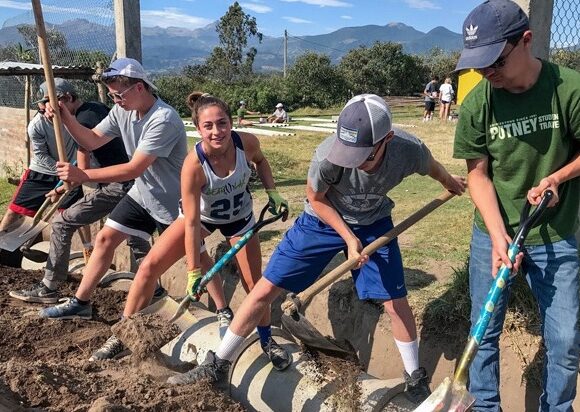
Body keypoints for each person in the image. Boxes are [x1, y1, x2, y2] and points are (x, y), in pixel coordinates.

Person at [167, 94, 466, 404]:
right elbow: (317, 198)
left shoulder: (408, 150)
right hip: (320, 222)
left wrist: (448, 182)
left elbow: (430, 165)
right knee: (263, 290)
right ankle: (218, 364)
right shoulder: (327, 155)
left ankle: (415, 379)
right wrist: (349, 240)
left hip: (375, 222)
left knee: (395, 301)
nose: (350, 160)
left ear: (386, 140)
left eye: (361, 154)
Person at [96, 92, 292, 369]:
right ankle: (122, 334)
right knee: (149, 266)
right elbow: (190, 223)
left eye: (222, 123)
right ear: (198, 129)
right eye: (208, 126)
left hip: (240, 219)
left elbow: (261, 161)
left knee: (254, 286)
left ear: (231, 122)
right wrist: (193, 271)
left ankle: (267, 340)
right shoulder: (194, 165)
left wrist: (272, 192)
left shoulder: (246, 143)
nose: (217, 131)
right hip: (201, 219)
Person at [453, 1, 580, 410]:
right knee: (483, 330)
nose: (487, 74)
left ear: (526, 41)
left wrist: (558, 177)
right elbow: (478, 175)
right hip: (494, 230)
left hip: (556, 232)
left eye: (495, 63)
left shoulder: (569, 89)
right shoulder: (478, 103)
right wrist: (495, 235)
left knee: (565, 341)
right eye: (479, 67)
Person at [36, 58, 198, 334]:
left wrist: (83, 175)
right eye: (111, 95)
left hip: (174, 204)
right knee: (105, 239)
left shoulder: (164, 119)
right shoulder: (122, 111)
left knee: (197, 258)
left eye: (119, 94)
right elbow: (90, 140)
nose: (115, 100)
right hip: (143, 193)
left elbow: (133, 167)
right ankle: (80, 302)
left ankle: (222, 312)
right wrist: (66, 118)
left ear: (139, 87)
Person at [8, 82, 151, 304]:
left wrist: (71, 180)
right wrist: (62, 187)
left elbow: (83, 157)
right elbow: (82, 164)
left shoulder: (85, 119)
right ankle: (154, 290)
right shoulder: (94, 109)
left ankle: (49, 287)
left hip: (120, 184)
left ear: (66, 98)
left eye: (52, 103)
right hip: (127, 184)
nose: (50, 110)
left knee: (62, 223)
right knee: (135, 235)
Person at [0, 79, 83, 232]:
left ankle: (86, 250)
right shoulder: (36, 125)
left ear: (66, 99)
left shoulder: (80, 117)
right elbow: (42, 156)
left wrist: (72, 172)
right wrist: (62, 171)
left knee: (73, 216)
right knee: (14, 211)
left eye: (47, 101)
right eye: (42, 103)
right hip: (42, 172)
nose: (45, 107)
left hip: (72, 172)